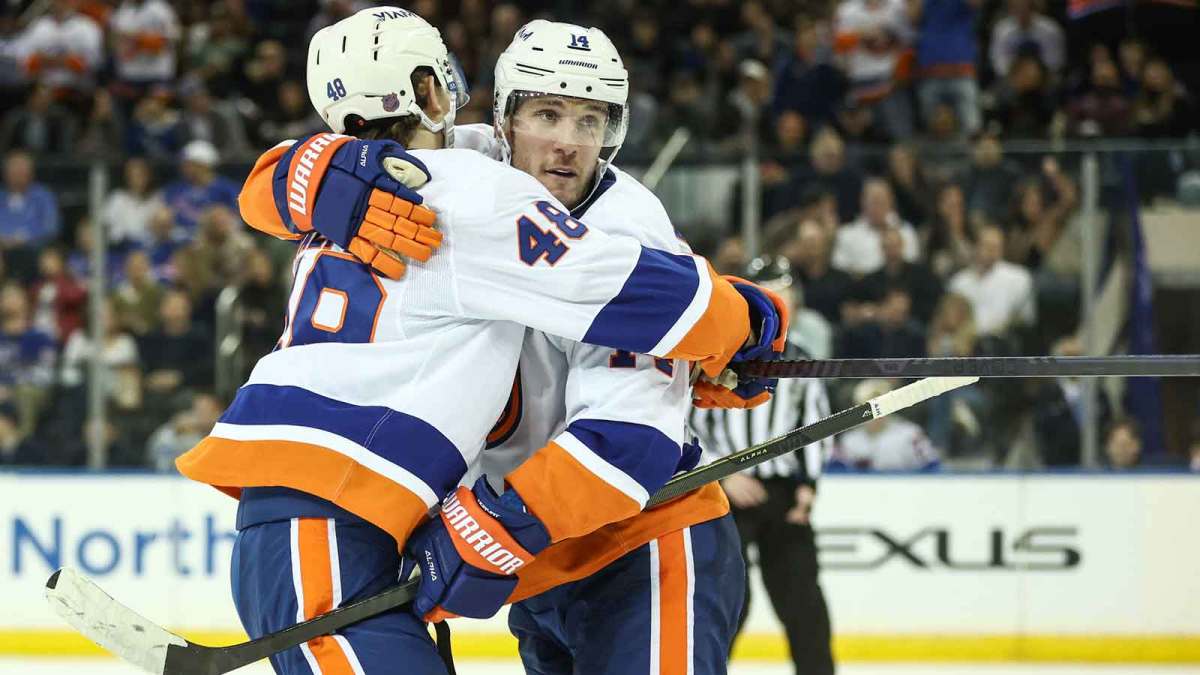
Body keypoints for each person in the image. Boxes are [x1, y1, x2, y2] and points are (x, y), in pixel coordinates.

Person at [175, 8, 782, 675]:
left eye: (591, 120)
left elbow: (630, 434)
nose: (569, 143)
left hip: (637, 541)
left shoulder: (625, 221)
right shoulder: (472, 172)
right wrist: (744, 318)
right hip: (522, 560)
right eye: (547, 114)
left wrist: (498, 523)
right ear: (502, 117)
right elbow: (281, 180)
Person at [691, 258, 835, 675]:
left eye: (783, 288)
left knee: (802, 601)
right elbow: (692, 421)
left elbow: (817, 424)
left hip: (783, 491)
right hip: (725, 492)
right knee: (728, 599)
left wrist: (808, 487)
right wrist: (726, 474)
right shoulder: (718, 354)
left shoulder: (802, 361)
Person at [831, 379, 940, 471]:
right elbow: (837, 474)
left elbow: (933, 466)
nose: (876, 413)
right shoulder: (850, 440)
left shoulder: (910, 434)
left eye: (881, 406)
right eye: (869, 408)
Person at [948, 225, 1035, 337]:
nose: (991, 251)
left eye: (996, 247)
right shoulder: (959, 282)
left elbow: (1026, 320)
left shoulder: (1019, 278)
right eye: (987, 245)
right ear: (976, 246)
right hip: (965, 342)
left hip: (1003, 341)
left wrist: (1005, 327)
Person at [831, 178, 919, 277]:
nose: (878, 207)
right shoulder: (846, 234)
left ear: (891, 202)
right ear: (863, 202)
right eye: (874, 201)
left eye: (883, 201)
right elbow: (840, 270)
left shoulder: (905, 230)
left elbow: (912, 263)